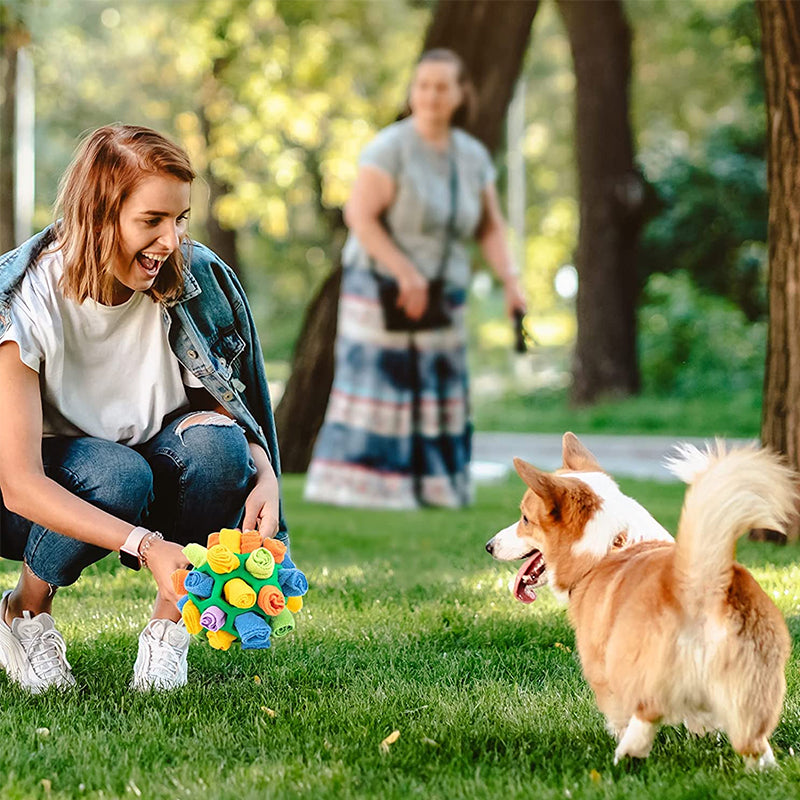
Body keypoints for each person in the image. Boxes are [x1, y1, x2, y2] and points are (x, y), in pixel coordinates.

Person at [0, 124, 289, 692]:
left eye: (179, 220)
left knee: (218, 446)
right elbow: (17, 482)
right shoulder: (25, 301)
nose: (171, 242)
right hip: (48, 492)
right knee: (118, 472)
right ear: (98, 216)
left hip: (160, 467)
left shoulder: (189, 280)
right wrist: (145, 544)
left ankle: (172, 618)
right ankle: (24, 613)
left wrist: (264, 471)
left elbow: (225, 407)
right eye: (151, 221)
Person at [304, 48, 526, 509]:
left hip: (443, 289)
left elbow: (489, 226)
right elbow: (360, 216)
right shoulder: (390, 148)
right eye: (422, 85)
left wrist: (511, 282)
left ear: (461, 94)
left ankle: (436, 491)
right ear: (413, 92)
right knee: (382, 388)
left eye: (442, 86)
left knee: (439, 389)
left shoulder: (471, 157)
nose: (430, 95)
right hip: (381, 284)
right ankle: (366, 492)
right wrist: (406, 274)